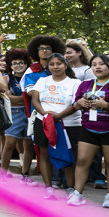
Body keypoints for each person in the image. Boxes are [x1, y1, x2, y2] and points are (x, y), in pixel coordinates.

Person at [71, 55, 109, 207]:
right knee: (82, 161)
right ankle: (77, 194)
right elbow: (75, 104)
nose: (97, 67)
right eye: (94, 64)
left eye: (102, 64)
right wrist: (79, 103)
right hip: (88, 128)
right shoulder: (85, 84)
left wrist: (106, 105)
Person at [29, 54, 82, 198]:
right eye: (52, 64)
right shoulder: (42, 81)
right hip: (44, 121)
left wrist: (59, 116)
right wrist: (45, 113)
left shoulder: (75, 83)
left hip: (68, 124)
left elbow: (76, 104)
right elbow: (34, 99)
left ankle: (71, 187)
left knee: (69, 155)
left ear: (65, 65)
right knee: (44, 154)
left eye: (59, 64)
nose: (55, 67)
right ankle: (48, 187)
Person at [1, 48, 34, 182]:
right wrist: (26, 98)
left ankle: (25, 173)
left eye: (21, 62)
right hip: (14, 113)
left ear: (26, 63)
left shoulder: (30, 77)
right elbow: (7, 98)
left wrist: (17, 98)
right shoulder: (6, 78)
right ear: (10, 65)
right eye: (14, 63)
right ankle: (2, 173)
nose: (18, 65)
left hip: (30, 112)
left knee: (29, 143)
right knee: (9, 143)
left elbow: (35, 97)